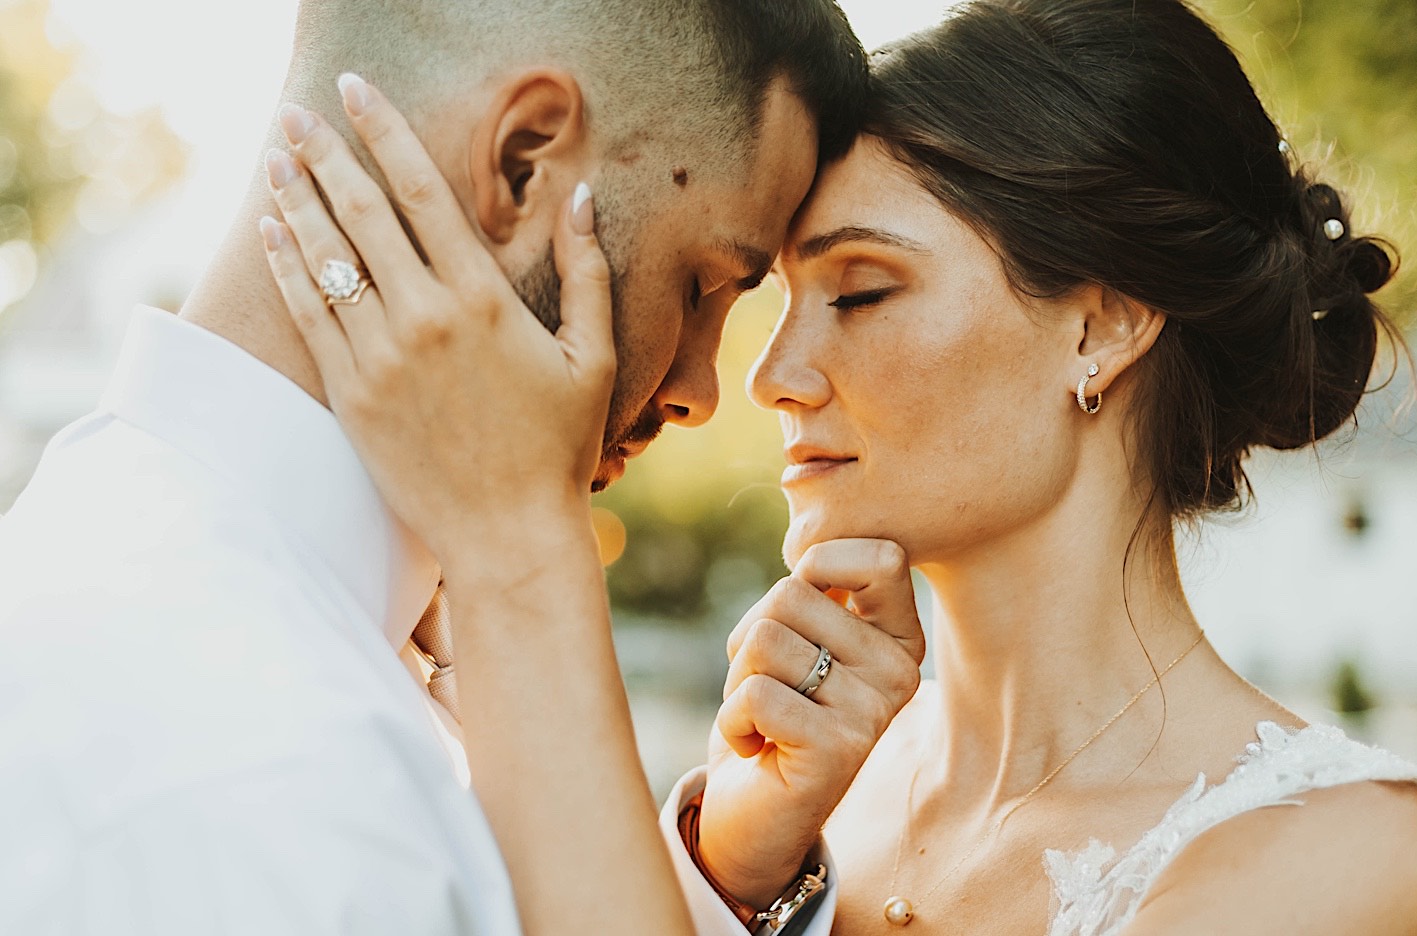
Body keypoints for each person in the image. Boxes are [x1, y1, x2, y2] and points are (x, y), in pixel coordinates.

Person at [264, 0, 1417, 934]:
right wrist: (734, 873)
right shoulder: (798, 824)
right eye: (777, 298)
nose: (769, 377)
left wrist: (520, 551)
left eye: (860, 290)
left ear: (1103, 325)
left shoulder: (1366, 868)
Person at [0, 2, 875, 933]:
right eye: (700, 286)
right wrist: (529, 563)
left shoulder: (121, 548)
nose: (701, 392)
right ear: (521, 161)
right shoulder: (281, 778)